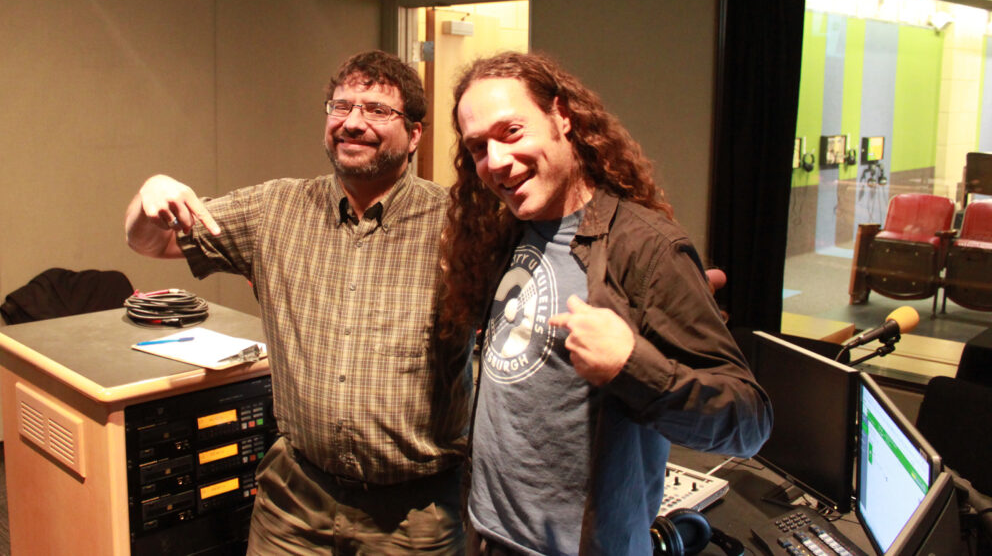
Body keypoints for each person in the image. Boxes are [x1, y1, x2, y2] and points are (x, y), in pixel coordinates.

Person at [124, 50, 469, 554]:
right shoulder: (275, 210)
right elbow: (149, 242)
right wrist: (150, 191)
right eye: (341, 106)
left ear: (415, 134)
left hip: (414, 517)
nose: (353, 122)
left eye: (376, 109)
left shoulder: (457, 227)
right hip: (295, 503)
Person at [439, 51, 772, 555]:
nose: (497, 162)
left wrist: (632, 365)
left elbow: (749, 424)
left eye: (511, 132)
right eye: (479, 147)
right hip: (487, 535)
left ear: (562, 117)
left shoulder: (646, 247)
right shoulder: (510, 231)